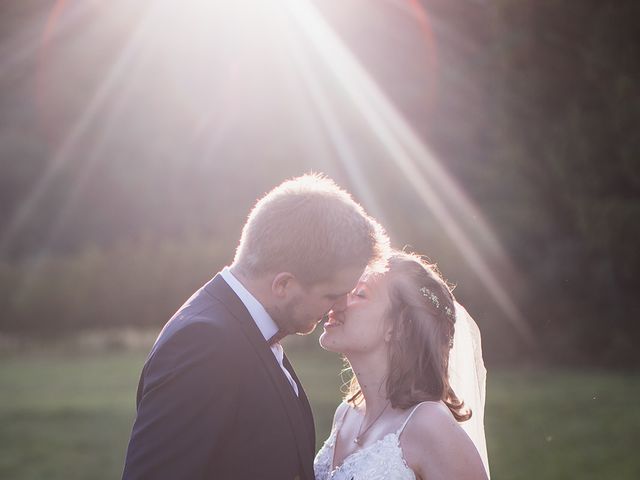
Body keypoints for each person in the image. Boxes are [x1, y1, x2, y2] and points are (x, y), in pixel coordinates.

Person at [122, 174, 389, 480]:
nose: (340, 306)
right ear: (283, 284)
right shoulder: (204, 344)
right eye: (331, 294)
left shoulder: (245, 330)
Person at [314, 250, 490, 480]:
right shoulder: (346, 415)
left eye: (360, 294)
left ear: (398, 327)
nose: (338, 301)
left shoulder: (430, 425)